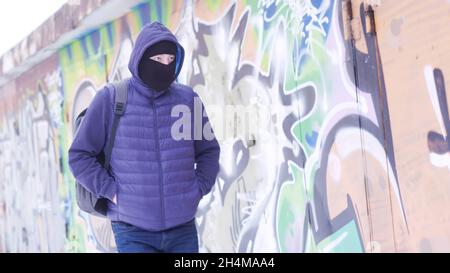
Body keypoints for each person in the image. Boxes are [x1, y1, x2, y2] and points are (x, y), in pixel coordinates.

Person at [68, 21, 221, 253]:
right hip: (132, 229)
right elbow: (79, 156)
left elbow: (209, 151)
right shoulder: (111, 99)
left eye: (170, 60)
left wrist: (197, 189)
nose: (165, 65)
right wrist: (110, 191)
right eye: (158, 59)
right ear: (141, 59)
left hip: (182, 228)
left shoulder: (187, 100)